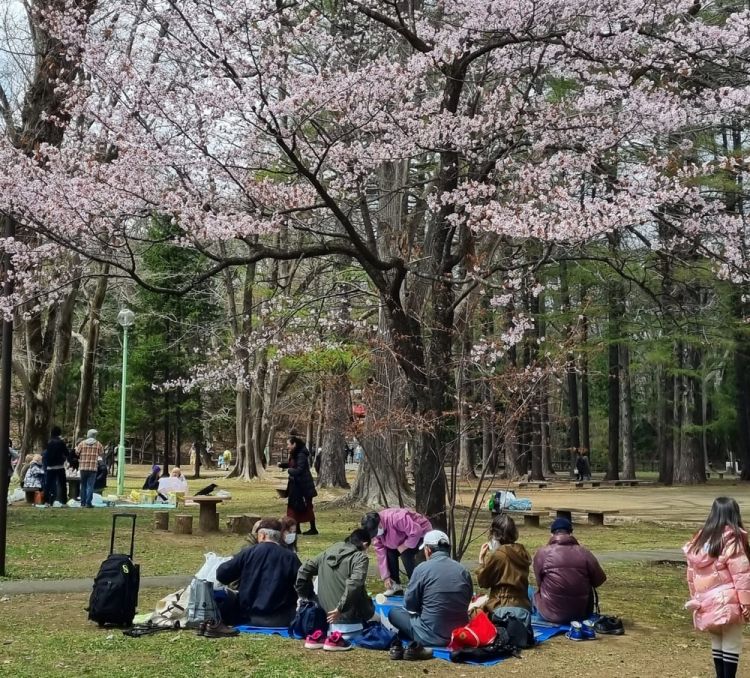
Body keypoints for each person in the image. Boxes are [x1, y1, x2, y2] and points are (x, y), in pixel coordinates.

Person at [685, 497, 750, 678]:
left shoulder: (699, 540)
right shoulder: (732, 539)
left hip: (706, 599)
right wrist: (746, 603)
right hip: (728, 599)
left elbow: (691, 573)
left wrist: (696, 597)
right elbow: (742, 574)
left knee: (717, 639)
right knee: (731, 641)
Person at [387, 530, 473, 656]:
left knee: (394, 613)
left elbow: (409, 604)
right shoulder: (463, 570)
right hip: (459, 634)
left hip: (429, 635)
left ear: (427, 550)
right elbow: (467, 599)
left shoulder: (422, 569)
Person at [215, 518, 301, 627]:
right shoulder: (290, 557)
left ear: (262, 536)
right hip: (281, 618)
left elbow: (222, 574)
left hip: (247, 617)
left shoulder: (248, 553)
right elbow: (303, 583)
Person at [533, 517, 607, 623]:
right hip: (580, 614)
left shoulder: (542, 553)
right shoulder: (584, 553)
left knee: (529, 591)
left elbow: (539, 584)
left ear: (552, 534)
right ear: (571, 533)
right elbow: (599, 580)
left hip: (550, 615)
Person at [296, 528, 375, 626]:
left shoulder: (328, 552)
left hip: (323, 612)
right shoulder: (360, 558)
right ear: (365, 544)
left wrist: (308, 596)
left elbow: (304, 570)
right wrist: (340, 609)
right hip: (348, 617)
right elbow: (354, 585)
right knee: (372, 609)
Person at [476, 514, 532, 630]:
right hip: (523, 607)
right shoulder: (522, 552)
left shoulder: (498, 555)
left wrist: (481, 560)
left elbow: (483, 582)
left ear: (495, 535)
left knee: (473, 612)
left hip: (500, 607)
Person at [361, 508, 432, 596]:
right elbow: (380, 553)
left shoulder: (397, 518)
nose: (376, 535)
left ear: (379, 524)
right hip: (400, 539)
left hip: (420, 533)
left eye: (375, 532)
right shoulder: (376, 532)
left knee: (406, 554)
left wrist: (405, 545)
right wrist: (386, 576)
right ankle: (395, 585)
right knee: (389, 552)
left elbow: (416, 531)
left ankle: (417, 586)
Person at [279, 436, 318, 535]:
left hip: (303, 486)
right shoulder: (294, 454)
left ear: (294, 444)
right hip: (295, 486)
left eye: (288, 444)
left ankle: (313, 529)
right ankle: (297, 529)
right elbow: (292, 464)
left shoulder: (301, 455)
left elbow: (299, 469)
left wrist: (289, 471)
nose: (287, 446)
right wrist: (283, 465)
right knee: (295, 507)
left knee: (306, 507)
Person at [76, 429, 103, 508]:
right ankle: (88, 503)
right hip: (93, 468)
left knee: (83, 485)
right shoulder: (98, 444)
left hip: (83, 467)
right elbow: (101, 453)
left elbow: (77, 452)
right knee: (90, 486)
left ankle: (82, 502)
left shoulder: (82, 443)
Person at [45, 426, 70, 505]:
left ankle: (46, 501)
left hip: (50, 466)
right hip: (60, 466)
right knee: (62, 484)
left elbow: (46, 453)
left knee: (48, 485)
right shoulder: (61, 442)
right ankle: (64, 502)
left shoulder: (48, 442)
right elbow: (66, 453)